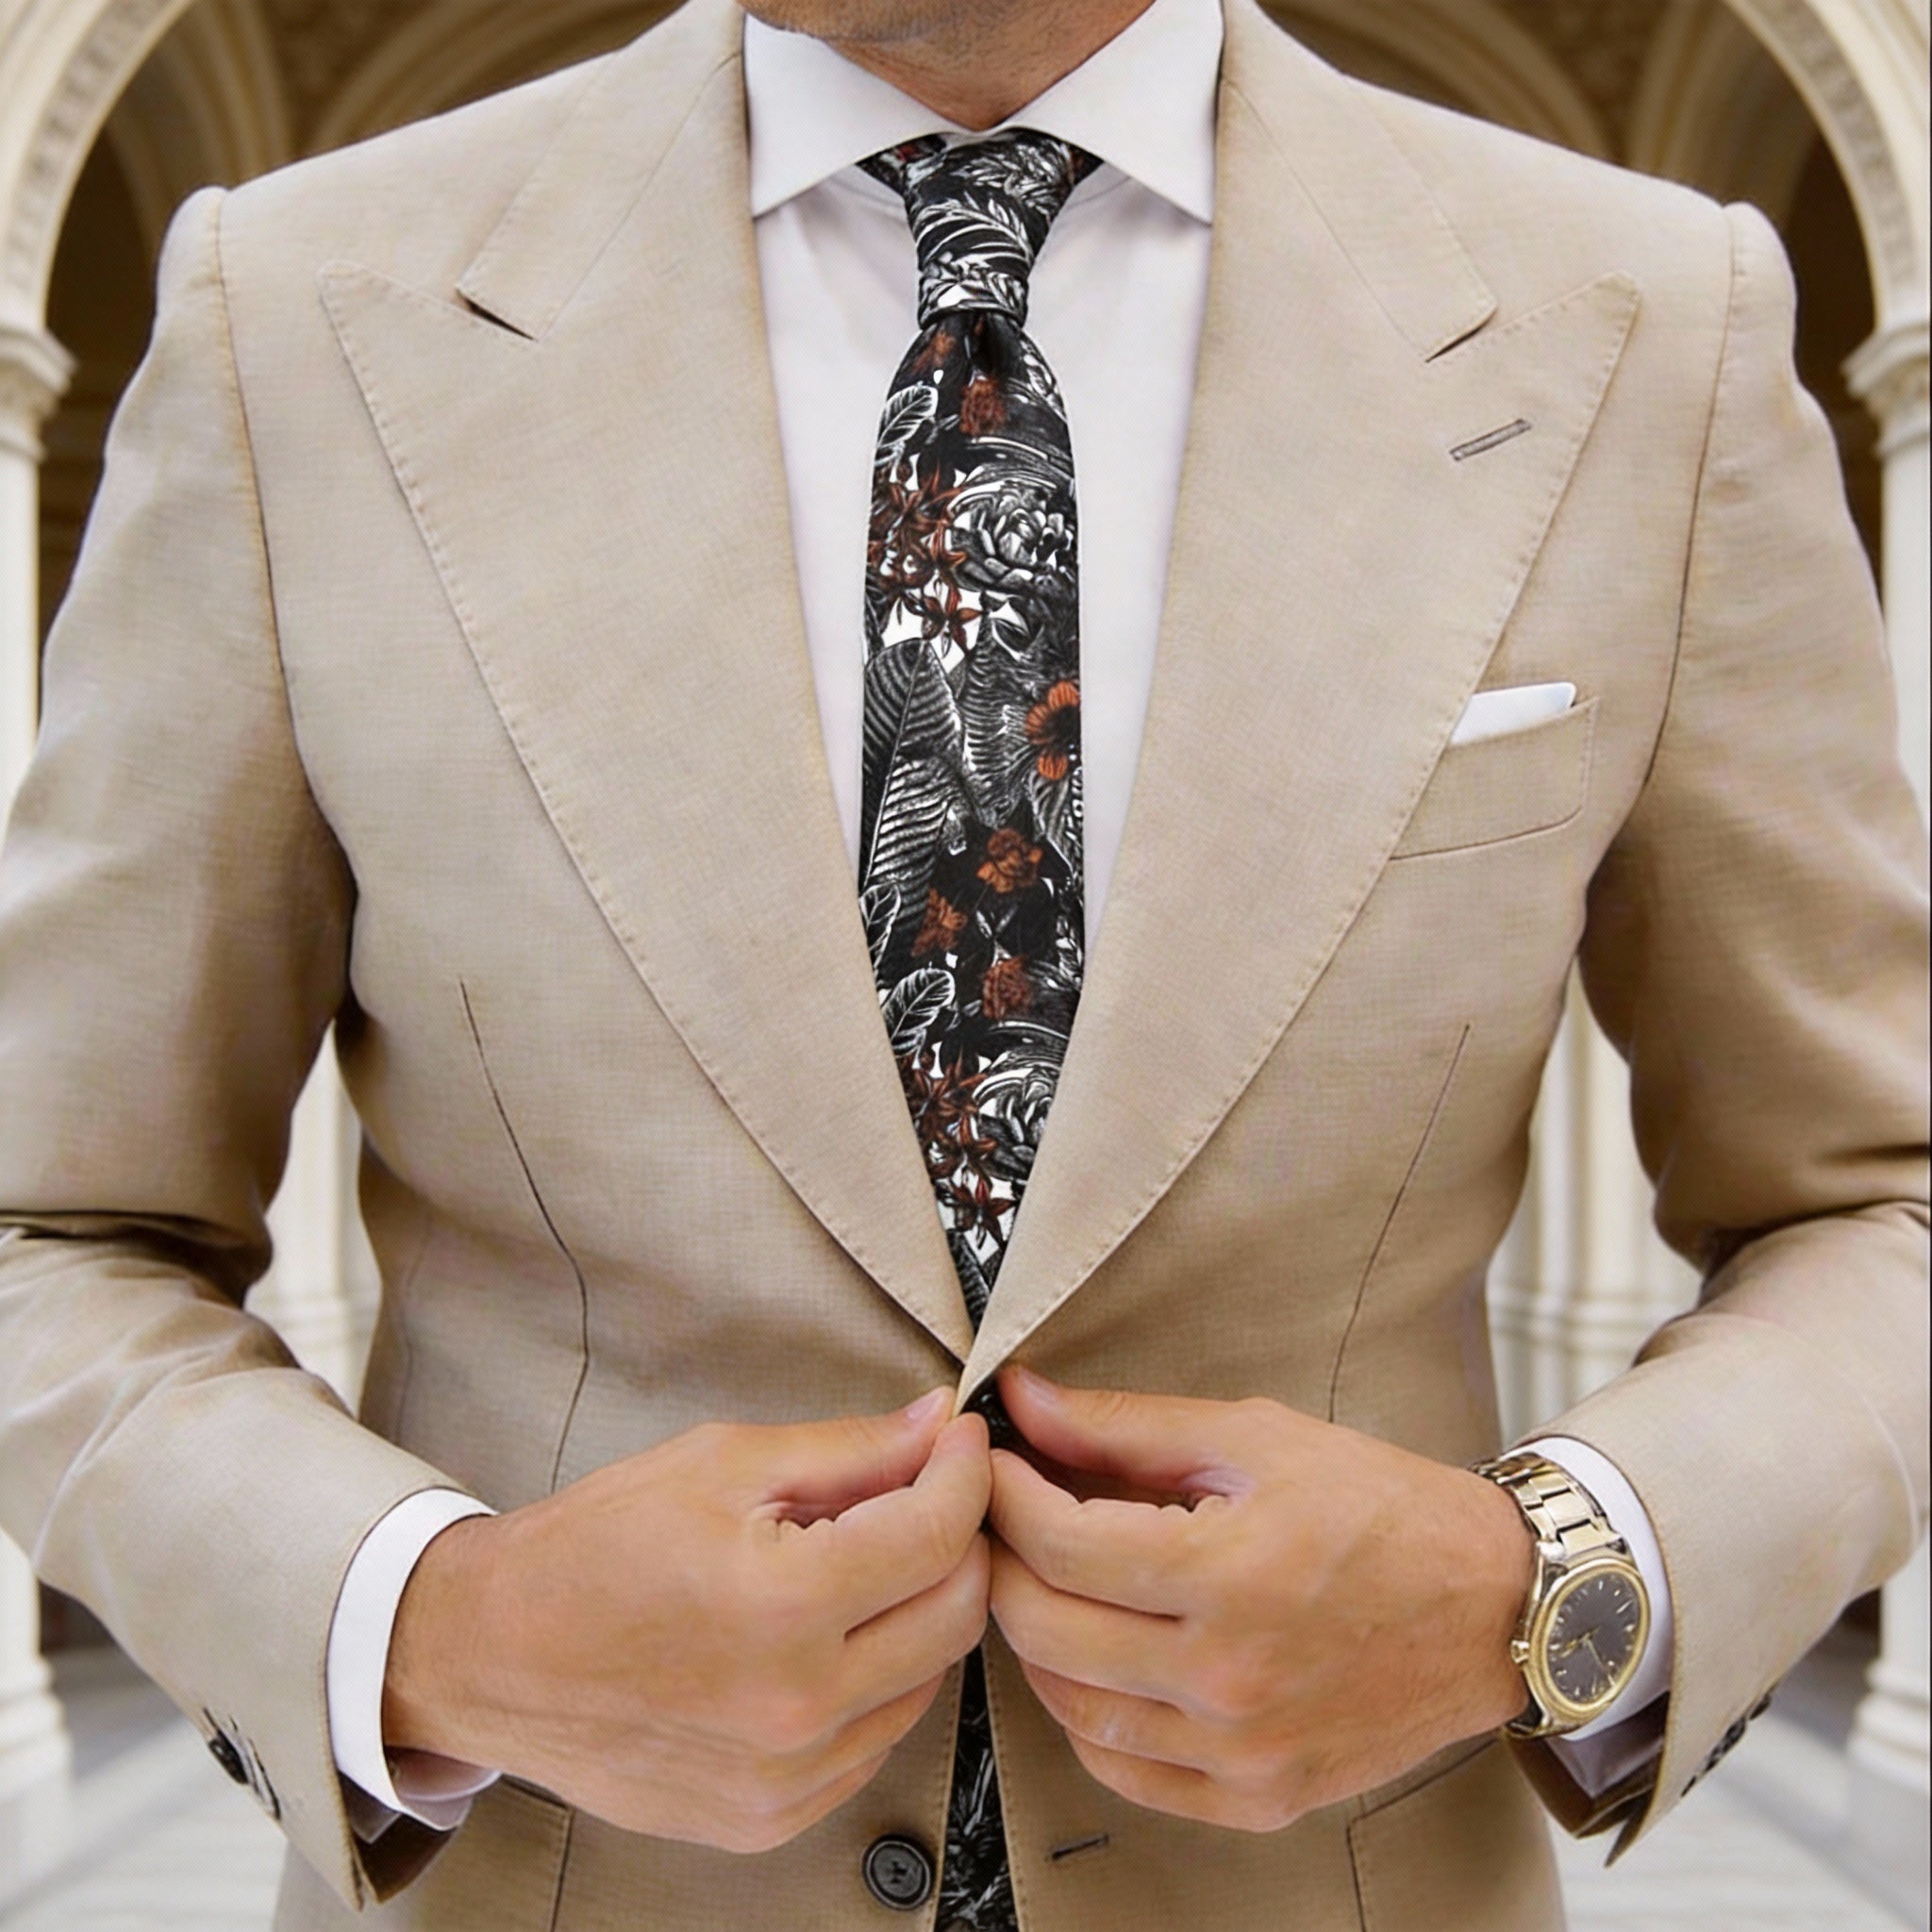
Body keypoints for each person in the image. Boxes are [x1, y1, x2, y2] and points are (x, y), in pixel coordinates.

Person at [0, 0, 1924, 1924]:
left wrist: (1545, 1582)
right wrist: (438, 1624)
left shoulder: (1647, 322)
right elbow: (50, 1228)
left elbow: (1879, 1200)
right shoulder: (297, 312)